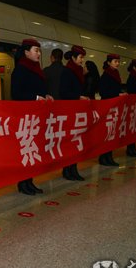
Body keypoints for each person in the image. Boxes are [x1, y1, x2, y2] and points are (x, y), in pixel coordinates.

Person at [11, 38, 52, 195]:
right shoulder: (20, 69)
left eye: (39, 50)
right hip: (25, 117)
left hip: (35, 117)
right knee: (26, 150)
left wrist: (46, 95)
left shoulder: (36, 68)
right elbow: (16, 93)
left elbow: (40, 88)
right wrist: (35, 98)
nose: (39, 54)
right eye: (36, 50)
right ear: (27, 52)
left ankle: (29, 181)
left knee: (33, 150)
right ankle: (23, 183)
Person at [59, 45, 89, 181]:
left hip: (77, 112)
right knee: (70, 142)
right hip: (69, 111)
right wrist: (78, 97)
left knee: (76, 141)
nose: (82, 60)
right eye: (81, 57)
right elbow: (63, 92)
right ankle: (67, 170)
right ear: (73, 57)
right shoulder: (67, 71)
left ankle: (73, 168)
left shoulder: (78, 70)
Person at [97, 53, 125, 167]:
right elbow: (103, 92)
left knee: (112, 133)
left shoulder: (115, 74)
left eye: (118, 61)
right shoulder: (106, 75)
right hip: (107, 108)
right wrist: (117, 94)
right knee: (106, 133)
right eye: (115, 61)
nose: (117, 63)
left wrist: (120, 93)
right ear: (109, 62)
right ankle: (103, 157)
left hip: (114, 107)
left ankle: (109, 156)